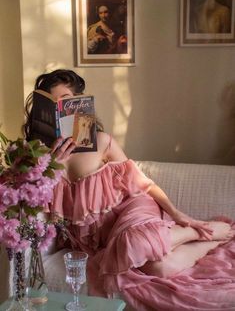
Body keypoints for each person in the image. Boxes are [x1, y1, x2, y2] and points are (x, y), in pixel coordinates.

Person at [23, 69, 235, 311]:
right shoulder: (38, 159)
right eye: (55, 103)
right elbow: (34, 204)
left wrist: (177, 214)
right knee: (158, 268)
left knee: (134, 243)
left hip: (130, 211)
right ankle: (209, 240)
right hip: (103, 238)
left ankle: (194, 231)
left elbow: (142, 182)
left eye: (67, 100)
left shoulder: (101, 142)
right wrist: (50, 168)